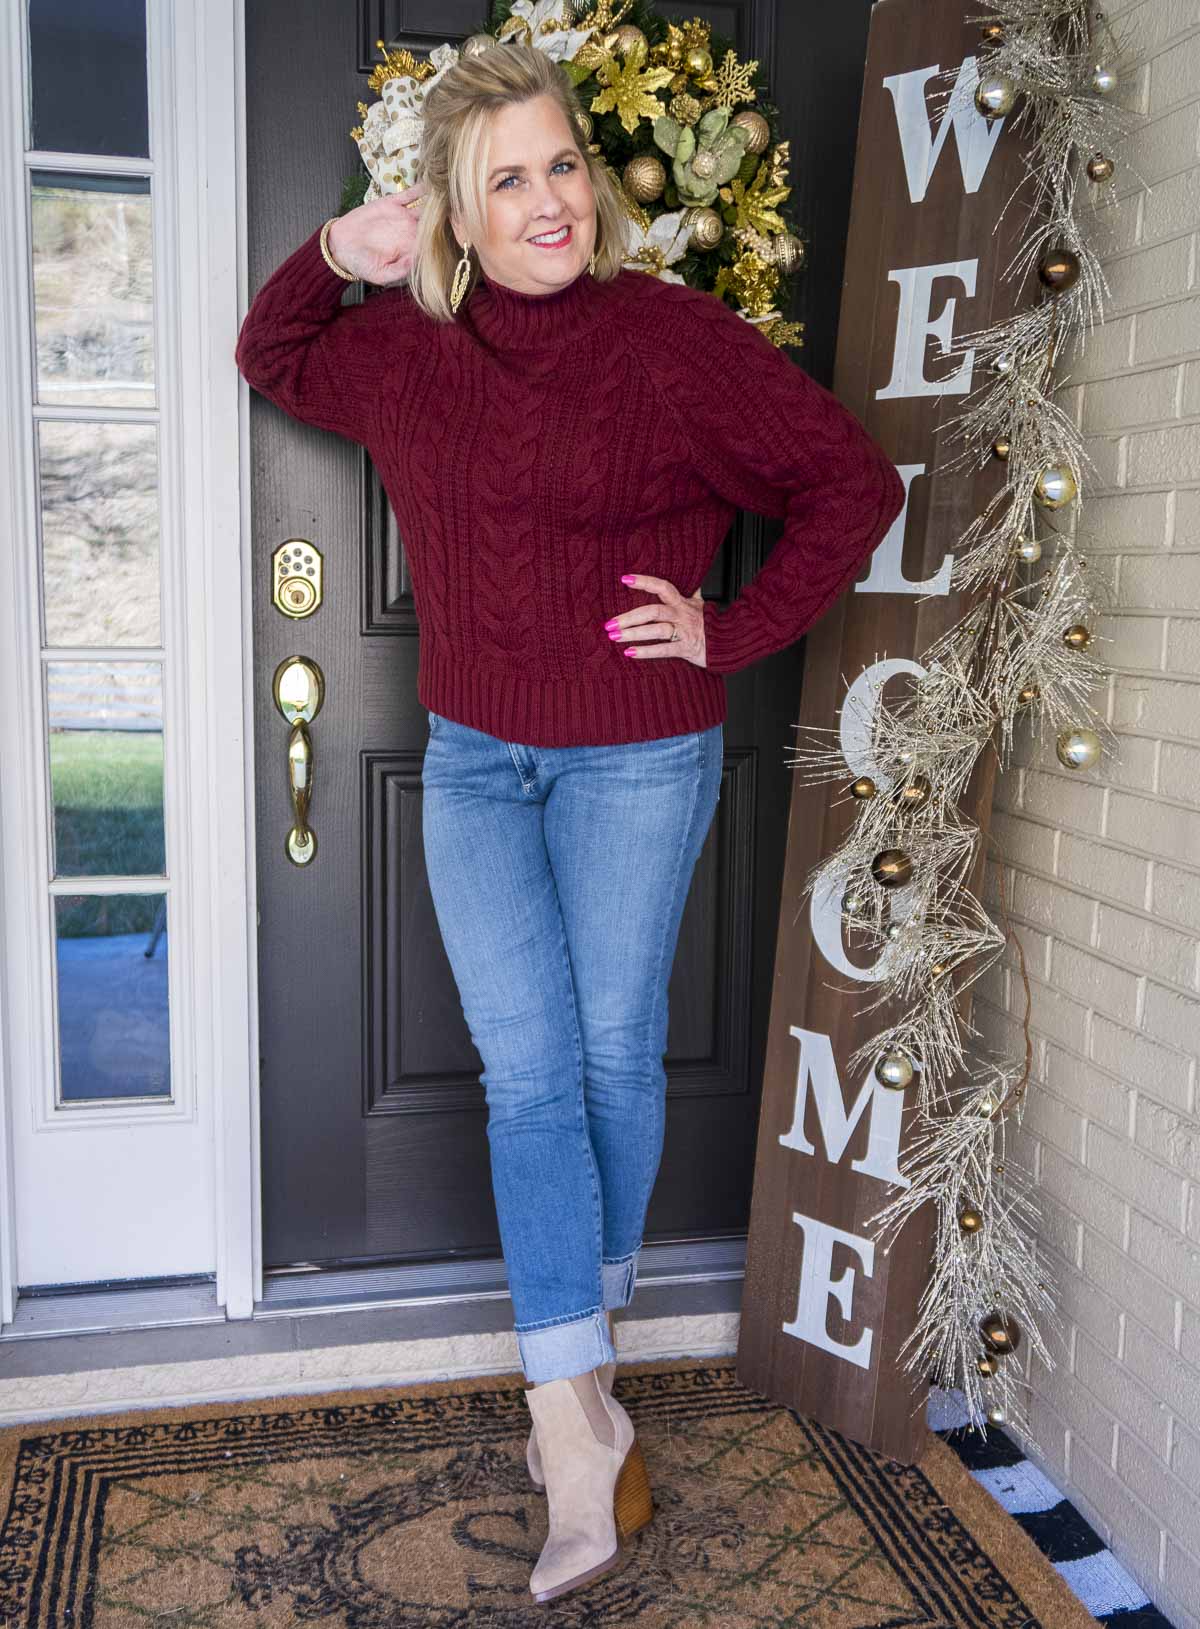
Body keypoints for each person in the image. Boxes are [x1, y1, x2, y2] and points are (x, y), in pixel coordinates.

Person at [234, 39, 905, 1607]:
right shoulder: (406, 351)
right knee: (528, 1073)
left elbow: (850, 483)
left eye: (563, 165)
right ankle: (572, 1406)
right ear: (453, 214)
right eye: (507, 179)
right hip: (473, 761)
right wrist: (341, 251)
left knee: (605, 1058)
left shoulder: (670, 341)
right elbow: (271, 353)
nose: (549, 202)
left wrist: (729, 632)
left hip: (636, 762)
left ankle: (577, 1382)